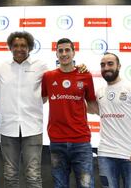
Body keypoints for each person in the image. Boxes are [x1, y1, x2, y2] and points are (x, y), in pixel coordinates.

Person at [0, 31, 48, 188]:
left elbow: (51, 88)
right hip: (8, 128)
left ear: (30, 47)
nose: (19, 48)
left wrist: (36, 102)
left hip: (33, 128)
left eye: (23, 45)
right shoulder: (0, 68)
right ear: (10, 48)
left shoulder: (41, 66)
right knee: (10, 175)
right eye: (16, 45)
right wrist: (7, 103)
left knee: (33, 175)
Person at [41, 38, 96, 188]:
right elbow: (41, 99)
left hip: (81, 141)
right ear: (56, 54)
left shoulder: (86, 76)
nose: (64, 54)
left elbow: (92, 105)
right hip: (57, 141)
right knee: (60, 185)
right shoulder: (48, 76)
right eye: (60, 50)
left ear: (73, 52)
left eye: (67, 50)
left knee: (86, 185)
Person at [91, 52, 131, 188]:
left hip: (130, 155)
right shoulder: (99, 92)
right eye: (103, 65)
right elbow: (92, 109)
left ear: (119, 66)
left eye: (110, 64)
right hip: (105, 154)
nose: (106, 67)